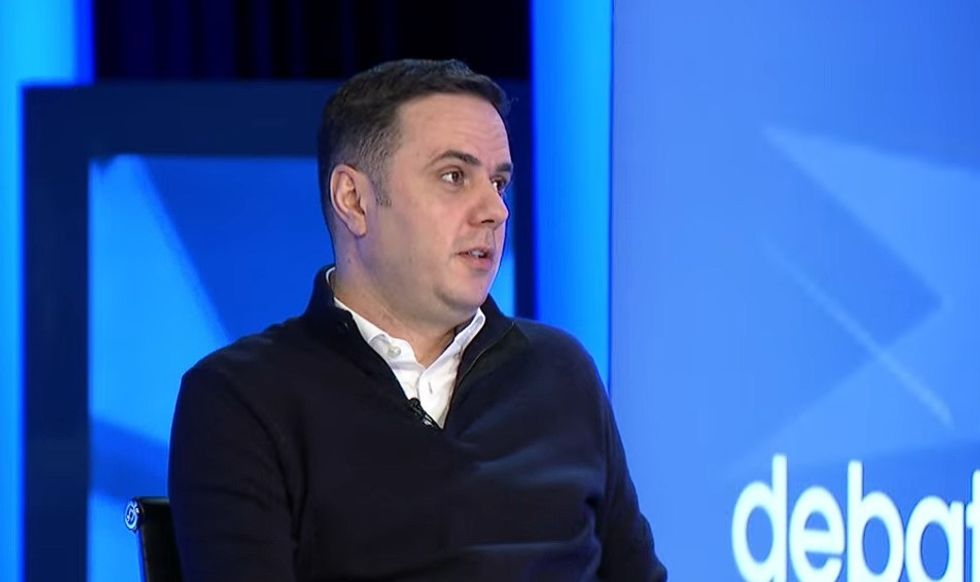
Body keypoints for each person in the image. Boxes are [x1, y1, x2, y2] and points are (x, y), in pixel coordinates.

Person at [168, 58, 667, 581]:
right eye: (454, 177)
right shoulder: (242, 398)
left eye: (499, 182)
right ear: (353, 200)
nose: (495, 210)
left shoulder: (560, 373)